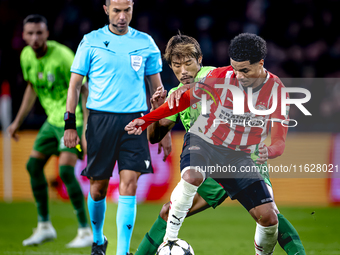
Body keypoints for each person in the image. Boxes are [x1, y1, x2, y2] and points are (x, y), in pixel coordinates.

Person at [126, 33, 306, 255]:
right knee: (169, 210)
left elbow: (206, 82)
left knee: (269, 215)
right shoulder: (174, 93)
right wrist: (152, 114)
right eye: (176, 66)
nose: (183, 71)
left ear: (200, 60)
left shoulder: (213, 75)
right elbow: (155, 135)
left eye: (188, 64)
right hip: (209, 156)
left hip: (243, 156)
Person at [63, 0, 167, 254]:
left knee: (129, 183)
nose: (122, 16)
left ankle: (122, 252)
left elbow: (157, 88)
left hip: (136, 120)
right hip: (100, 120)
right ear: (106, 9)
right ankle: (98, 240)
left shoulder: (145, 43)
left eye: (127, 10)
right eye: (117, 10)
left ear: (133, 8)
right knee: (97, 188)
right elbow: (75, 85)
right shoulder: (90, 41)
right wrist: (70, 124)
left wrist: (163, 127)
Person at [7, 14, 92, 248]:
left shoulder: (63, 56)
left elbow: (84, 91)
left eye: (39, 33)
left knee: (65, 171)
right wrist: (17, 122)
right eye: (30, 33)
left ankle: (85, 231)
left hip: (70, 120)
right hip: (50, 122)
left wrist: (85, 130)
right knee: (33, 166)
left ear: (46, 34)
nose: (35, 38)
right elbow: (32, 88)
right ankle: (44, 226)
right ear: (23, 36)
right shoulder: (26, 56)